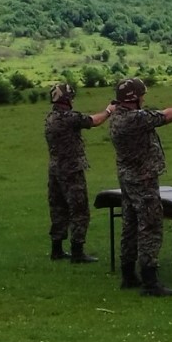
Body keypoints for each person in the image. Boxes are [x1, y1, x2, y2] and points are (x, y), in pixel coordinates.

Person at [109, 78, 172, 296]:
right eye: (141, 95)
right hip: (142, 178)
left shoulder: (117, 117)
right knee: (150, 226)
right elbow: (164, 116)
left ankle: (129, 275)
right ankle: (150, 282)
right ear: (134, 98)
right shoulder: (132, 119)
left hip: (127, 178)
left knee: (130, 226)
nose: (143, 98)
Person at [45, 83, 117, 263]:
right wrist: (109, 110)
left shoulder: (50, 118)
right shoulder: (70, 118)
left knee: (58, 209)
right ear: (67, 99)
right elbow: (95, 121)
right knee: (79, 210)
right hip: (71, 169)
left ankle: (57, 249)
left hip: (55, 169)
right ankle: (77, 251)